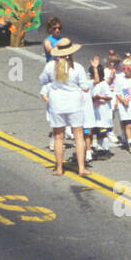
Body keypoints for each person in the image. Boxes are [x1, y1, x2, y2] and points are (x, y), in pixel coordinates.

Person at [38, 38, 89, 177]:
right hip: (74, 103)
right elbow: (85, 87)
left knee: (58, 137)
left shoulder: (50, 66)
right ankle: (81, 168)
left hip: (57, 104)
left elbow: (42, 80)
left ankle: (59, 168)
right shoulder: (77, 67)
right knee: (78, 135)